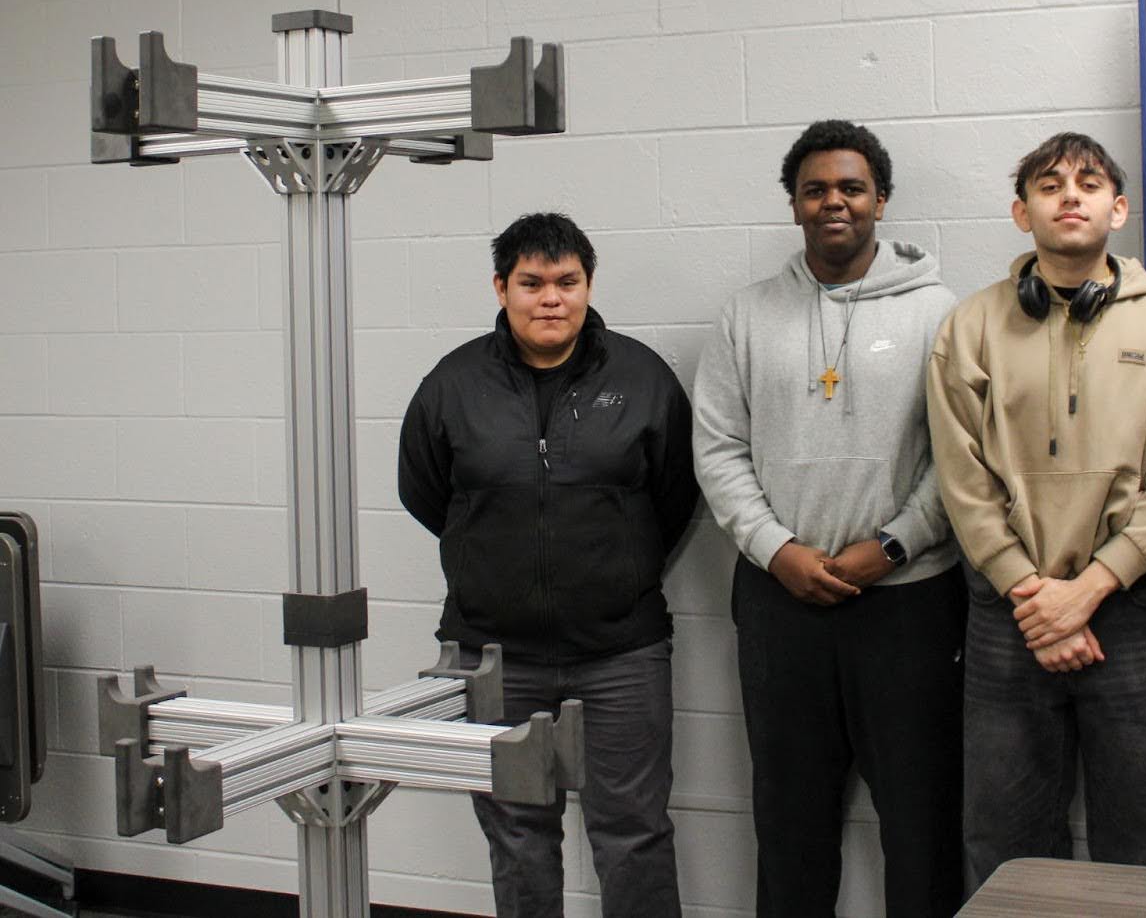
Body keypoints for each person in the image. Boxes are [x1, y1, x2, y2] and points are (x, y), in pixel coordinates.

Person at [927, 131, 1146, 885]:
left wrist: (1088, 590)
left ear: (1117, 209)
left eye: (1089, 184)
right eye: (1049, 185)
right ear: (1023, 214)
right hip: (1006, 612)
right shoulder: (971, 325)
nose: (1070, 196)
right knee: (1002, 840)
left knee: (1141, 840)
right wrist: (1031, 593)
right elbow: (962, 475)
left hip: (1129, 608)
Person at [693, 120, 965, 918]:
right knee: (788, 819)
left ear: (881, 199)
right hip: (782, 603)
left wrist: (894, 542)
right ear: (794, 206)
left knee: (921, 821)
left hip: (911, 599)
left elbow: (961, 458)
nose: (833, 202)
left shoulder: (940, 314)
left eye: (851, 187)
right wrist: (778, 552)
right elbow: (717, 451)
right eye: (816, 190)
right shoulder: (745, 317)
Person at [397, 212, 698, 918]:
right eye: (532, 283)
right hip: (494, 657)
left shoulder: (642, 378)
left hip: (621, 652)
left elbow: (676, 497)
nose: (551, 299)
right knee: (518, 838)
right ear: (501, 288)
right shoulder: (453, 384)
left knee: (634, 834)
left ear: (589, 286)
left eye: (567, 281)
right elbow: (424, 491)